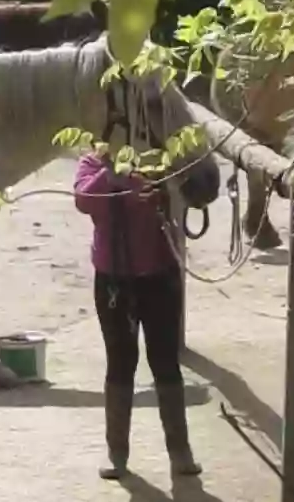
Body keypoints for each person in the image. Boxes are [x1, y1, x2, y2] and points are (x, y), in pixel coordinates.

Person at [74, 148, 201, 483]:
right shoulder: (92, 163)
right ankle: (117, 453)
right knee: (120, 361)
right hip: (114, 279)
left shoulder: (159, 159)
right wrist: (113, 174)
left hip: (159, 275)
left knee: (164, 360)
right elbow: (84, 201)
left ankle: (180, 451)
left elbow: (193, 190)